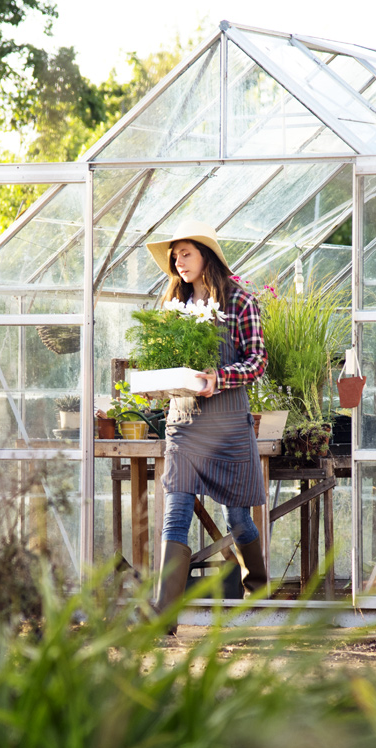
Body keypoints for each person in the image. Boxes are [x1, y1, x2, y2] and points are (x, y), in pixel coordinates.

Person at [144, 219, 270, 623]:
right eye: (175, 255)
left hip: (228, 425)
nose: (179, 262)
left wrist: (221, 378)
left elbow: (257, 360)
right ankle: (164, 615)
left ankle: (258, 587)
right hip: (184, 424)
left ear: (206, 255)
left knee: (237, 518)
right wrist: (156, 385)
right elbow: (163, 362)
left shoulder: (238, 301)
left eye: (186, 253)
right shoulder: (172, 306)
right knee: (176, 509)